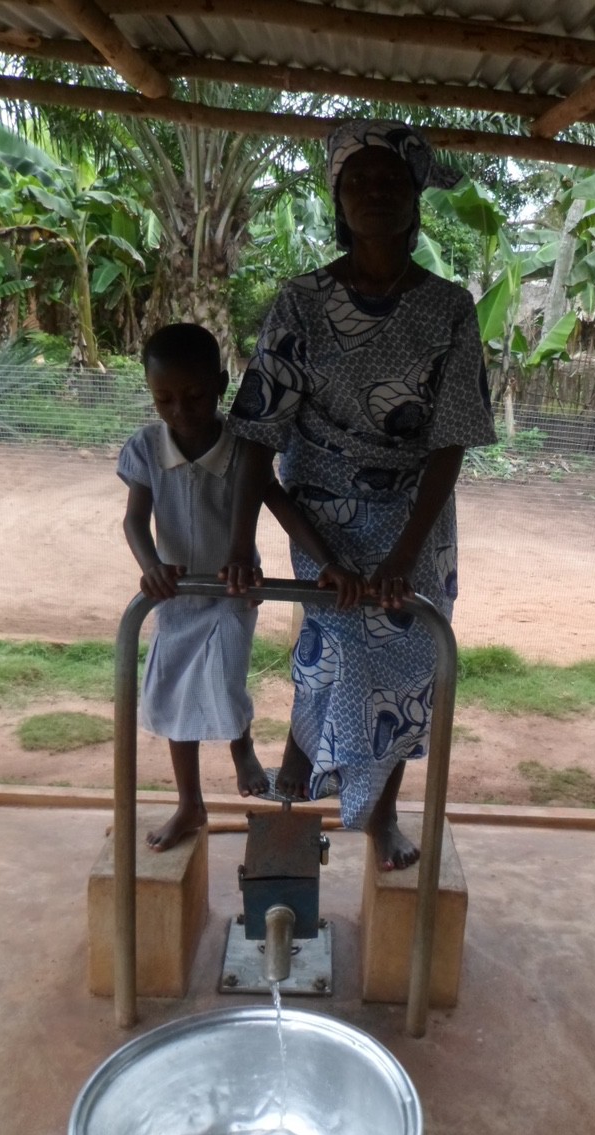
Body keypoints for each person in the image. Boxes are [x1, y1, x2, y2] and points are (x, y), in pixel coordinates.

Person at [223, 119, 497, 871]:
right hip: (322, 514)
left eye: (391, 181)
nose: (375, 192)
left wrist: (407, 551)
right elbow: (256, 432)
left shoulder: (449, 308)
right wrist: (241, 540)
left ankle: (379, 815)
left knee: (408, 666)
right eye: (358, 181)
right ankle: (296, 778)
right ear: (338, 202)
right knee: (333, 646)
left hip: (419, 516)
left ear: (415, 202)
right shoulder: (301, 303)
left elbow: (451, 439)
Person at [118, 322, 270, 852]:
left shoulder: (243, 450)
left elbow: (281, 507)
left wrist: (321, 561)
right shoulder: (145, 448)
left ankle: (241, 746)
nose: (180, 410)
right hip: (177, 597)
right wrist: (151, 564)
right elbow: (135, 521)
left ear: (222, 384)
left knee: (224, 675)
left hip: (232, 592)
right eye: (164, 398)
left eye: (194, 395)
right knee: (175, 693)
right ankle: (190, 802)